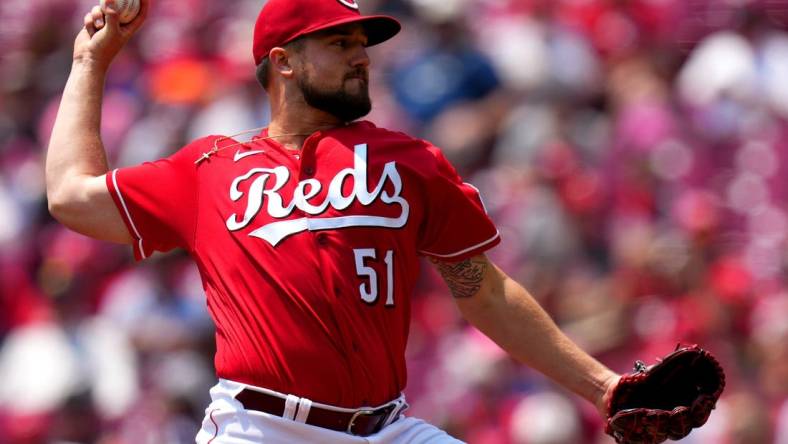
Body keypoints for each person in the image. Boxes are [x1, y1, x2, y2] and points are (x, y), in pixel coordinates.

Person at [46, 0, 620, 442]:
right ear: (284, 62)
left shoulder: (412, 162)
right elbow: (71, 195)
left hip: (387, 427)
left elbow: (484, 292)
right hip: (262, 428)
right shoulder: (207, 169)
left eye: (362, 44)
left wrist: (604, 387)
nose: (362, 55)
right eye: (340, 42)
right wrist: (89, 60)